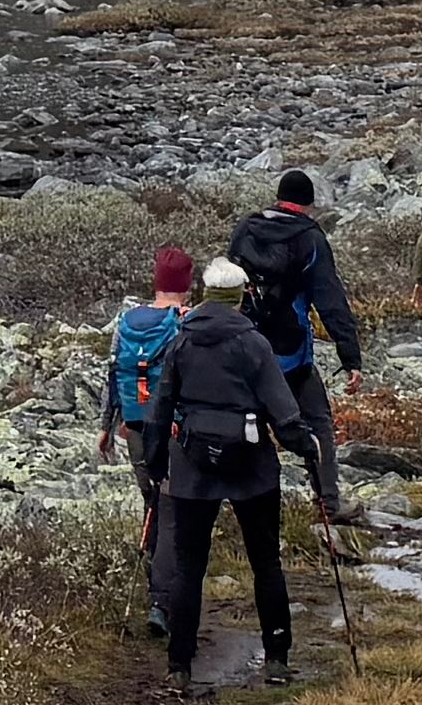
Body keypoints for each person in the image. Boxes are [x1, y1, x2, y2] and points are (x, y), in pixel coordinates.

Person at [149, 255, 299, 682]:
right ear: (239, 297)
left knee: (189, 566)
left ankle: (179, 667)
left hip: (193, 466)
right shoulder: (253, 343)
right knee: (265, 561)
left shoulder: (181, 341)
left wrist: (158, 462)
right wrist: (306, 448)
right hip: (252, 467)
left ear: (205, 295)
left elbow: (161, 407)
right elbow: (282, 410)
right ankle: (276, 660)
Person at [225, 169, 367, 532]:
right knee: (317, 423)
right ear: (308, 204)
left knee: (246, 427)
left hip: (244, 348)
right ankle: (328, 502)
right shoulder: (310, 239)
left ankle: (241, 506)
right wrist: (350, 356)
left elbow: (229, 290)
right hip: (291, 356)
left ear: (278, 197)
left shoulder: (246, 229)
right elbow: (330, 299)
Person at [102, 242, 194, 531]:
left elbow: (113, 372)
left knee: (150, 497)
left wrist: (106, 427)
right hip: (174, 426)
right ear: (187, 283)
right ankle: (176, 569)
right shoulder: (186, 321)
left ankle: (153, 566)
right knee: (176, 502)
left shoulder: (127, 321)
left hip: (135, 422)